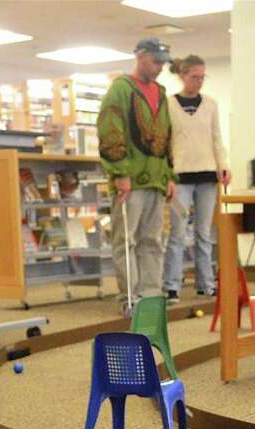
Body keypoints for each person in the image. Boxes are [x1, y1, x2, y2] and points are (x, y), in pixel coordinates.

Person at [97, 37, 176, 316]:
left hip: (155, 180)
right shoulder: (120, 89)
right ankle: (129, 298)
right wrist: (120, 173)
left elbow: (166, 136)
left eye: (162, 63)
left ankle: (151, 296)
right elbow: (110, 130)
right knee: (126, 240)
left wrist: (169, 175)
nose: (158, 68)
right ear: (140, 56)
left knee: (153, 241)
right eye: (155, 61)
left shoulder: (162, 92)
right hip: (130, 181)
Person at [161, 54, 230, 303]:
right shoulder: (168, 104)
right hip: (180, 177)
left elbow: (216, 139)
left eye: (203, 77)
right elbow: (165, 143)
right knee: (177, 234)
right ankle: (172, 286)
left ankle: (206, 283)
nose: (199, 82)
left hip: (208, 175)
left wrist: (224, 166)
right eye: (195, 77)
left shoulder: (210, 104)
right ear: (182, 75)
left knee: (203, 233)